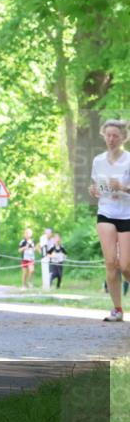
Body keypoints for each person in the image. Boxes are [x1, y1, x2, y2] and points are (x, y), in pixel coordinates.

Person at [89, 119, 130, 322]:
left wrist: (123, 187)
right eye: (108, 135)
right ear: (103, 136)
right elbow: (96, 187)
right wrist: (94, 190)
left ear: (123, 137)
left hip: (127, 214)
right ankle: (117, 309)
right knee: (111, 263)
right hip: (106, 212)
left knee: (126, 266)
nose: (111, 139)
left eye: (115, 135)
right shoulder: (98, 161)